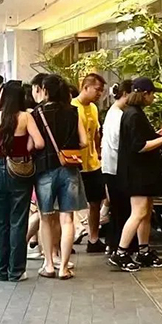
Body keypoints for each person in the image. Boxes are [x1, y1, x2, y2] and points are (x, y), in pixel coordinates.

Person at [109, 78, 162, 272]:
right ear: (144, 94)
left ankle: (143, 250)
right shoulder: (133, 115)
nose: (153, 97)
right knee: (138, 212)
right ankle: (121, 252)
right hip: (136, 173)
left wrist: (157, 136)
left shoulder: (134, 113)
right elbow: (138, 145)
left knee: (146, 212)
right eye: (152, 93)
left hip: (142, 173)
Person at [0, 81, 44, 282]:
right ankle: (16, 271)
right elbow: (39, 143)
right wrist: (26, 147)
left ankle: (1, 269)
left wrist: (0, 152)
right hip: (20, 170)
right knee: (18, 221)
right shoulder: (26, 117)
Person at [33, 75, 88, 280]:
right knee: (67, 219)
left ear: (46, 90)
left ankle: (48, 265)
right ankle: (64, 267)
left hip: (44, 169)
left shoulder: (37, 113)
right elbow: (84, 142)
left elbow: (35, 143)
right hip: (69, 169)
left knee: (46, 218)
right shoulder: (73, 111)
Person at [72, 73, 107, 252]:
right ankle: (67, 239)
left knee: (96, 201)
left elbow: (96, 134)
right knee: (70, 205)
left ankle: (93, 239)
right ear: (85, 87)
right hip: (75, 163)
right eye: (97, 89)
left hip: (92, 163)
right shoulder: (72, 107)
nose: (99, 93)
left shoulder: (93, 108)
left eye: (101, 90)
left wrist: (98, 153)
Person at [101, 80, 134, 253]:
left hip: (111, 165)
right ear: (126, 94)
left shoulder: (114, 112)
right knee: (121, 208)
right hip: (115, 166)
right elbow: (119, 143)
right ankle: (118, 245)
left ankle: (113, 244)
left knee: (118, 208)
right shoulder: (118, 115)